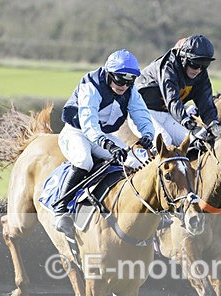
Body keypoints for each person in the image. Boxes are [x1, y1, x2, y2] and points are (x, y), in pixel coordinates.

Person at [55, 48, 155, 236]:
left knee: (135, 161)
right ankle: (61, 210)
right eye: (119, 79)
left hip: (100, 137)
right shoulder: (91, 85)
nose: (123, 86)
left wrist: (148, 135)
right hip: (76, 132)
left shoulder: (130, 90)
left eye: (129, 81)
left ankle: (100, 204)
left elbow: (140, 113)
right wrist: (108, 145)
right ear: (109, 73)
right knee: (84, 161)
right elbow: (88, 123)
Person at [134, 35, 219, 148]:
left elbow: (206, 104)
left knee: (194, 141)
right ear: (184, 58)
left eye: (204, 65)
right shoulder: (168, 67)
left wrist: (214, 126)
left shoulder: (201, 73)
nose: (198, 70)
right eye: (195, 64)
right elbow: (172, 99)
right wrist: (188, 124)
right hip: (142, 111)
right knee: (165, 141)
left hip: (167, 114)